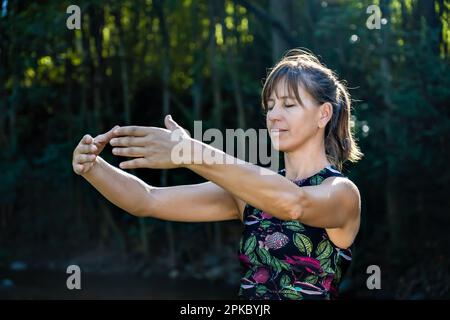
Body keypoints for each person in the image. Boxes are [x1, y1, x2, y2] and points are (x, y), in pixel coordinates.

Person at [72, 48, 362, 300]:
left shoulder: (341, 193)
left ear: (323, 114)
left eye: (289, 104)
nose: (274, 115)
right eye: (270, 105)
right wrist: (93, 168)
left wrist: (189, 151)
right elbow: (147, 200)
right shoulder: (249, 192)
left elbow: (293, 203)